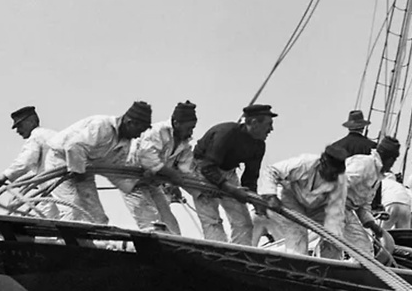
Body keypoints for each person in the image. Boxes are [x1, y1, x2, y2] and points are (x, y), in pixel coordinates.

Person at [44, 102, 153, 223]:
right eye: (139, 130)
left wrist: (136, 184)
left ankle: (91, 241)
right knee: (72, 211)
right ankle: (65, 241)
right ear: (130, 122)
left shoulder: (125, 143)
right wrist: (79, 173)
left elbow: (114, 171)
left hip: (84, 168)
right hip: (60, 160)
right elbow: (74, 147)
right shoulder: (102, 126)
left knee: (98, 217)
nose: (139, 135)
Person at [193, 104, 276, 244]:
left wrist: (255, 200)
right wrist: (230, 189)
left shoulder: (259, 145)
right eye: (269, 124)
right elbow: (207, 167)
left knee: (244, 223)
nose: (271, 129)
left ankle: (238, 253)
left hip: (228, 173)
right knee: (212, 220)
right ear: (254, 123)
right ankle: (217, 249)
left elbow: (250, 177)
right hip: (201, 170)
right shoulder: (226, 133)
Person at [258, 144, 348, 257]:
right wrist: (271, 195)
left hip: (319, 208)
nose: (334, 175)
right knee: (298, 230)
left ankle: (332, 265)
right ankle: (297, 260)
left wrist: (332, 235)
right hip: (292, 199)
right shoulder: (304, 163)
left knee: (336, 238)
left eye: (337, 173)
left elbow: (336, 212)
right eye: (332, 171)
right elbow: (272, 171)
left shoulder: (341, 181)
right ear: (323, 164)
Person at [124, 100, 199, 234]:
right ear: (176, 123)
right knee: (151, 223)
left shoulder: (185, 143)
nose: (191, 131)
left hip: (153, 183)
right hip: (132, 180)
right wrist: (171, 175)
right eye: (189, 128)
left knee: (171, 226)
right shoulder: (157, 132)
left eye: (193, 128)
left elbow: (185, 170)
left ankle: (174, 249)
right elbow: (148, 158)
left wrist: (184, 185)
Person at [343, 135, 400, 262]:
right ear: (390, 159)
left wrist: (375, 228)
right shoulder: (365, 164)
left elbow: (363, 206)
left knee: (364, 252)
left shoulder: (377, 177)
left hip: (345, 210)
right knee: (362, 253)